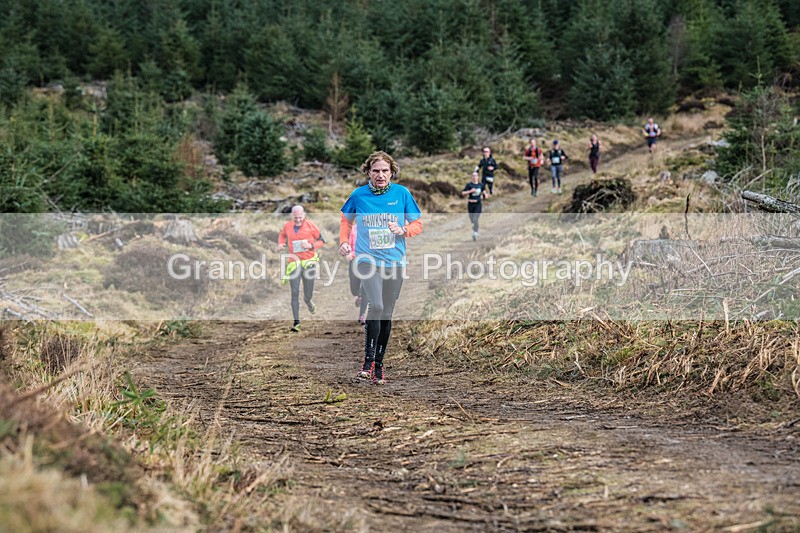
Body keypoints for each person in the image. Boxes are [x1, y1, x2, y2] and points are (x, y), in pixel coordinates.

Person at [339, 151, 423, 385]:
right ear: (368, 172)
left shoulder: (402, 193)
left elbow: (417, 223)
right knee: (375, 305)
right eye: (375, 171)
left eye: (385, 171)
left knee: (386, 312)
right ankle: (367, 362)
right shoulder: (358, 195)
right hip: (368, 260)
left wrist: (403, 231)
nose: (380, 175)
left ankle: (379, 364)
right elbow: (346, 220)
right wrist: (344, 242)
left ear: (391, 172)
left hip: (395, 261)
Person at [277, 205, 326, 332]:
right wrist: (281, 243)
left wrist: (310, 245)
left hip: (309, 262)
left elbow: (321, 241)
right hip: (294, 262)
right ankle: (296, 322)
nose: (298, 220)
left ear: (304, 215)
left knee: (307, 293)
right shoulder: (287, 226)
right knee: (294, 292)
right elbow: (282, 235)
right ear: (291, 216)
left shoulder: (311, 226)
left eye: (300, 217)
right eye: (295, 218)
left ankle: (308, 301)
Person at [347, 223, 369, 325]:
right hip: (355, 260)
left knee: (365, 287)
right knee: (354, 287)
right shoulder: (353, 229)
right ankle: (358, 295)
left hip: (368, 261)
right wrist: (349, 254)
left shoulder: (372, 228)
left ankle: (362, 314)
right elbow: (349, 244)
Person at [461, 171, 488, 240]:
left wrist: (485, 195)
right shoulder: (469, 185)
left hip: (478, 204)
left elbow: (485, 192)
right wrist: (470, 191)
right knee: (472, 220)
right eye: (473, 176)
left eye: (476, 176)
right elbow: (463, 193)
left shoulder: (481, 185)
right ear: (471, 177)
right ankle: (475, 228)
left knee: (475, 219)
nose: (474, 177)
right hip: (470, 204)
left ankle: (475, 233)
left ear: (478, 177)